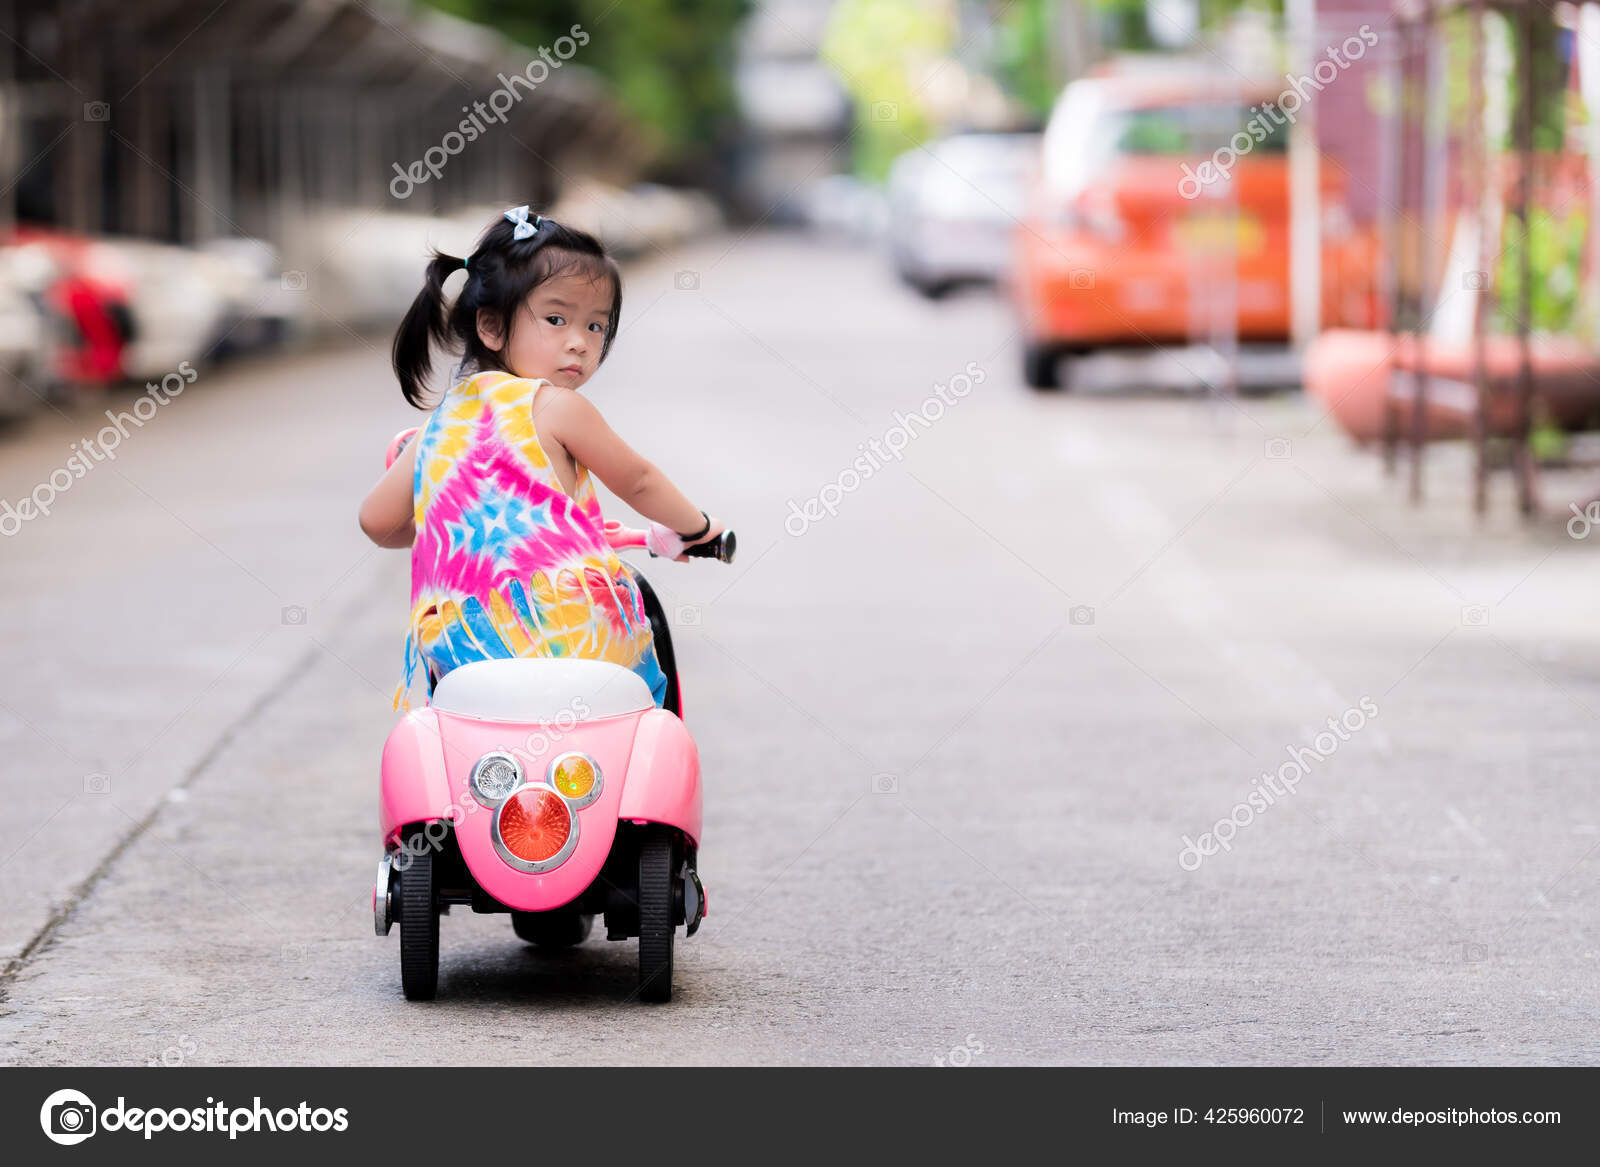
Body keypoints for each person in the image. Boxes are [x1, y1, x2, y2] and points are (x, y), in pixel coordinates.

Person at [359, 206, 723, 710]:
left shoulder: (438, 426)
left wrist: (447, 519)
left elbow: (377, 523)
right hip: (570, 638)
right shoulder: (555, 405)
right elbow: (637, 481)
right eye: (556, 319)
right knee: (640, 705)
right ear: (490, 326)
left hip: (462, 653)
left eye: (596, 327)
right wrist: (698, 525)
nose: (579, 342)